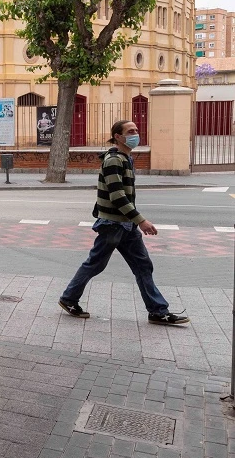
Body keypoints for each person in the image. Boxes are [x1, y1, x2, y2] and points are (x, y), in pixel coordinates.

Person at [57, 120, 189, 325]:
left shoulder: (126, 158)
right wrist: (142, 220)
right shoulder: (114, 161)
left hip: (126, 225)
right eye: (130, 131)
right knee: (95, 264)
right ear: (118, 137)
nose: (135, 134)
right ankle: (69, 298)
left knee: (143, 265)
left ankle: (157, 310)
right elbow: (117, 196)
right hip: (113, 224)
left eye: (136, 130)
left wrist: (134, 221)